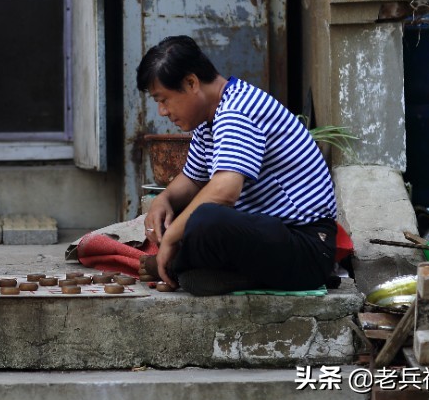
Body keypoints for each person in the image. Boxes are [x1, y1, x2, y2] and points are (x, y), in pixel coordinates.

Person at [137, 36, 337, 296]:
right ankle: (203, 270)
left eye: (163, 99)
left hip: (307, 248)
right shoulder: (209, 118)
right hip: (270, 237)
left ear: (191, 83)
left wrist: (172, 236)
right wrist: (163, 200)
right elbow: (193, 179)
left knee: (206, 220)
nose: (162, 111)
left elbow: (225, 191)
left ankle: (178, 265)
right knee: (185, 212)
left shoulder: (237, 111)